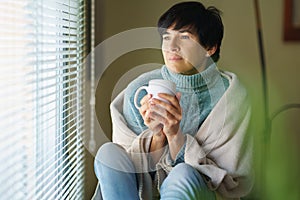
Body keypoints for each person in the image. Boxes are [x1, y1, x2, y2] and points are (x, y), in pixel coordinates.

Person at [93, 1, 253, 200]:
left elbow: (227, 181)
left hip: (204, 193)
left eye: (184, 37)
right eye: (166, 37)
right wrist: (157, 135)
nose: (171, 47)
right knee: (108, 154)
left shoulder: (231, 99)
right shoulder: (139, 91)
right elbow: (135, 174)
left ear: (210, 48)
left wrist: (175, 135)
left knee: (182, 173)